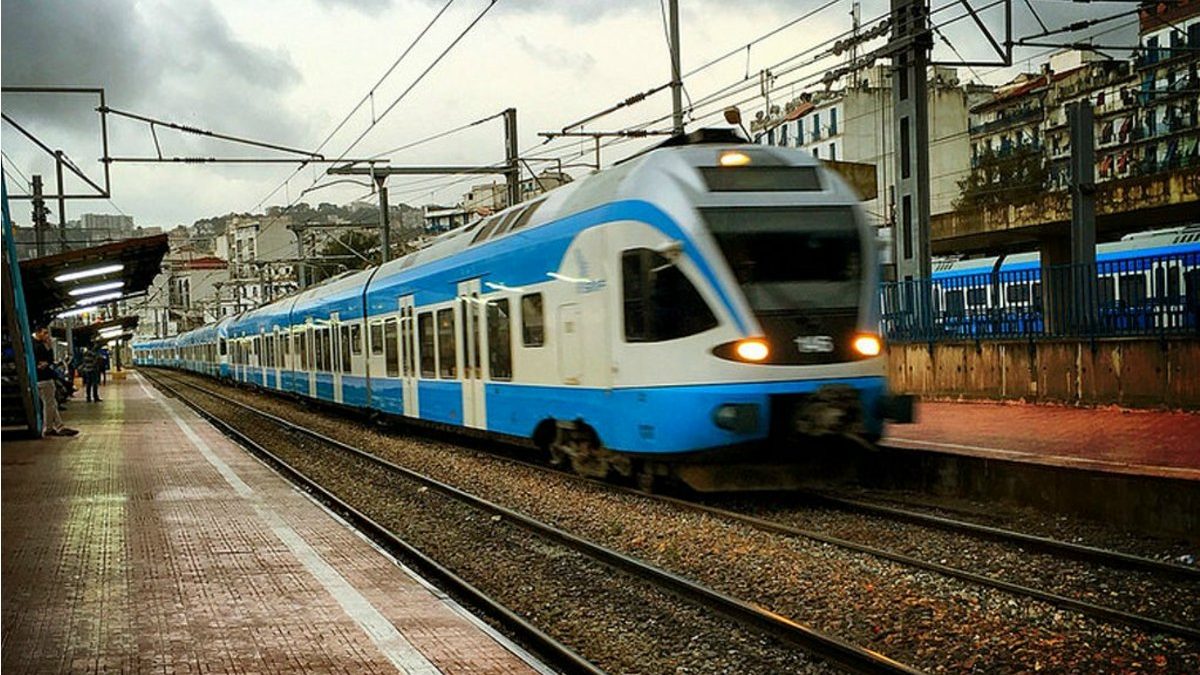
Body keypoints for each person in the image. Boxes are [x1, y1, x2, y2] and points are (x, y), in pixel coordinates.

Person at [32, 326, 78, 437]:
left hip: (42, 378)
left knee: (52, 404)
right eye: (45, 333)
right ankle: (48, 428)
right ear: (38, 333)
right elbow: (48, 360)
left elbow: (48, 361)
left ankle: (59, 426)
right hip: (44, 379)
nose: (47, 335)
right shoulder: (38, 346)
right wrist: (49, 348)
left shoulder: (34, 345)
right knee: (49, 404)